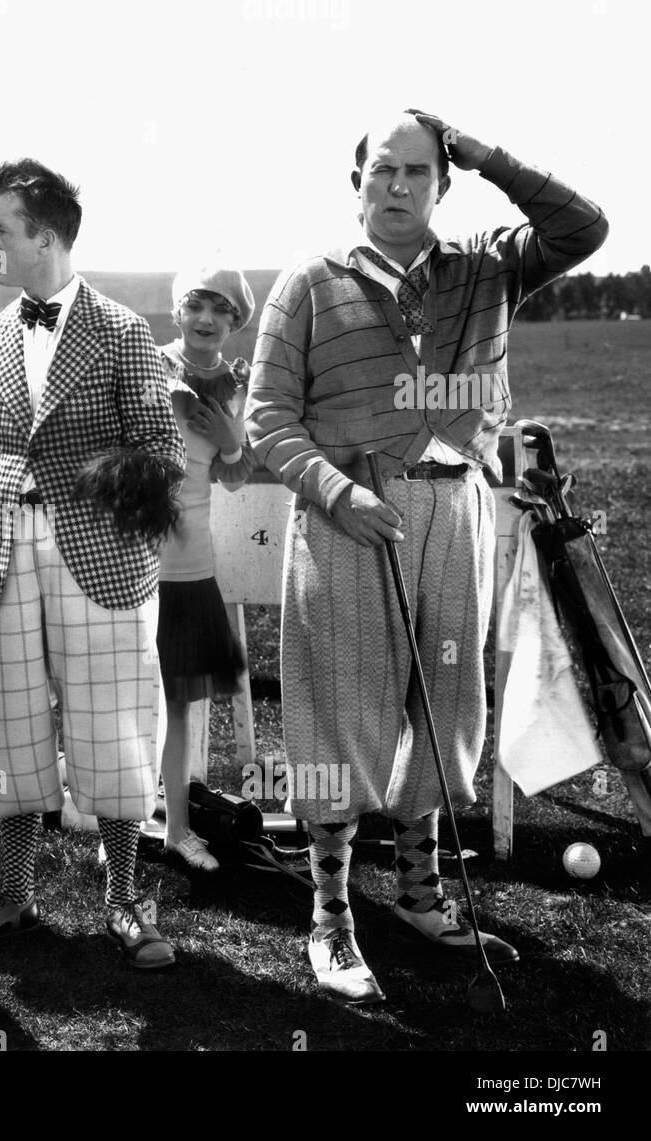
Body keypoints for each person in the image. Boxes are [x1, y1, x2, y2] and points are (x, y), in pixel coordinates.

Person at [246, 110, 608, 1002]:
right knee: (336, 717)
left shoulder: (486, 267)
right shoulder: (310, 282)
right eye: (381, 171)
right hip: (346, 518)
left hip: (456, 508)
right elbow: (265, 420)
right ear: (356, 182)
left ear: (444, 185)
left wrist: (484, 153)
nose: (397, 186)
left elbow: (583, 227)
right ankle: (330, 920)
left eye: (418, 171)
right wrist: (337, 492)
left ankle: (418, 892)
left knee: (446, 710)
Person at [0, 159, 186, 969]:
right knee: (13, 730)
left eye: (0, 227)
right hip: (1, 556)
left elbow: (164, 449)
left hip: (99, 555)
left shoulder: (124, 331)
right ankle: (11, 893)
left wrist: (78, 484)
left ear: (47, 236)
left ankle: (125, 899)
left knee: (112, 734)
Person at [154, 264, 256, 871]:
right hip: (130, 549)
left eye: (222, 311)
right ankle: (108, 811)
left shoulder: (236, 384)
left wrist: (232, 437)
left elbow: (235, 476)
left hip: (189, 560)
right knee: (119, 692)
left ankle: (177, 832)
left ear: (236, 321)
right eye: (197, 306)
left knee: (175, 701)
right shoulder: (150, 362)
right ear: (179, 311)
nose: (207, 321)